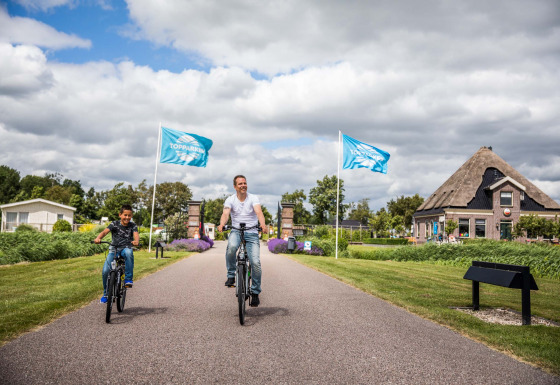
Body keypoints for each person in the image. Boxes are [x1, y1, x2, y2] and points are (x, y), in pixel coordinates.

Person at [217, 175, 267, 307]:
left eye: (245, 183)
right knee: (232, 247)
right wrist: (222, 224)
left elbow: (259, 212)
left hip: (251, 232)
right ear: (235, 186)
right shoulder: (230, 199)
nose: (243, 185)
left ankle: (255, 292)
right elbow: (225, 214)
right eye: (240, 184)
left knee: (255, 262)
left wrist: (262, 224)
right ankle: (231, 275)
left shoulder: (253, 198)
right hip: (236, 231)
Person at [94, 204, 139, 304]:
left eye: (129, 215)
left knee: (129, 252)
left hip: (126, 247)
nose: (127, 217)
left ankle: (128, 279)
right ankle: (106, 294)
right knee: (106, 271)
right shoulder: (114, 224)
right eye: (125, 215)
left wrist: (136, 241)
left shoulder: (133, 225)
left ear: (131, 216)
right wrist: (98, 238)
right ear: (120, 215)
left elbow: (136, 235)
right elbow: (104, 232)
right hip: (114, 249)